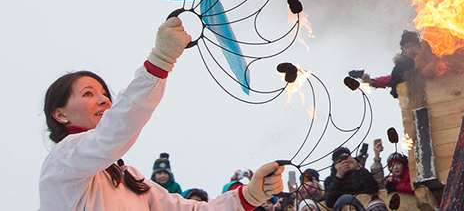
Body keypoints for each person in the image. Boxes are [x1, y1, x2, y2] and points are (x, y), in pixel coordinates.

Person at [40, 17, 283, 210]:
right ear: (60, 115)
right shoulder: (63, 161)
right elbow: (113, 132)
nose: (104, 99)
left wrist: (248, 196)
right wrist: (160, 61)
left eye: (104, 93)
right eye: (88, 94)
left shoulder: (130, 177)